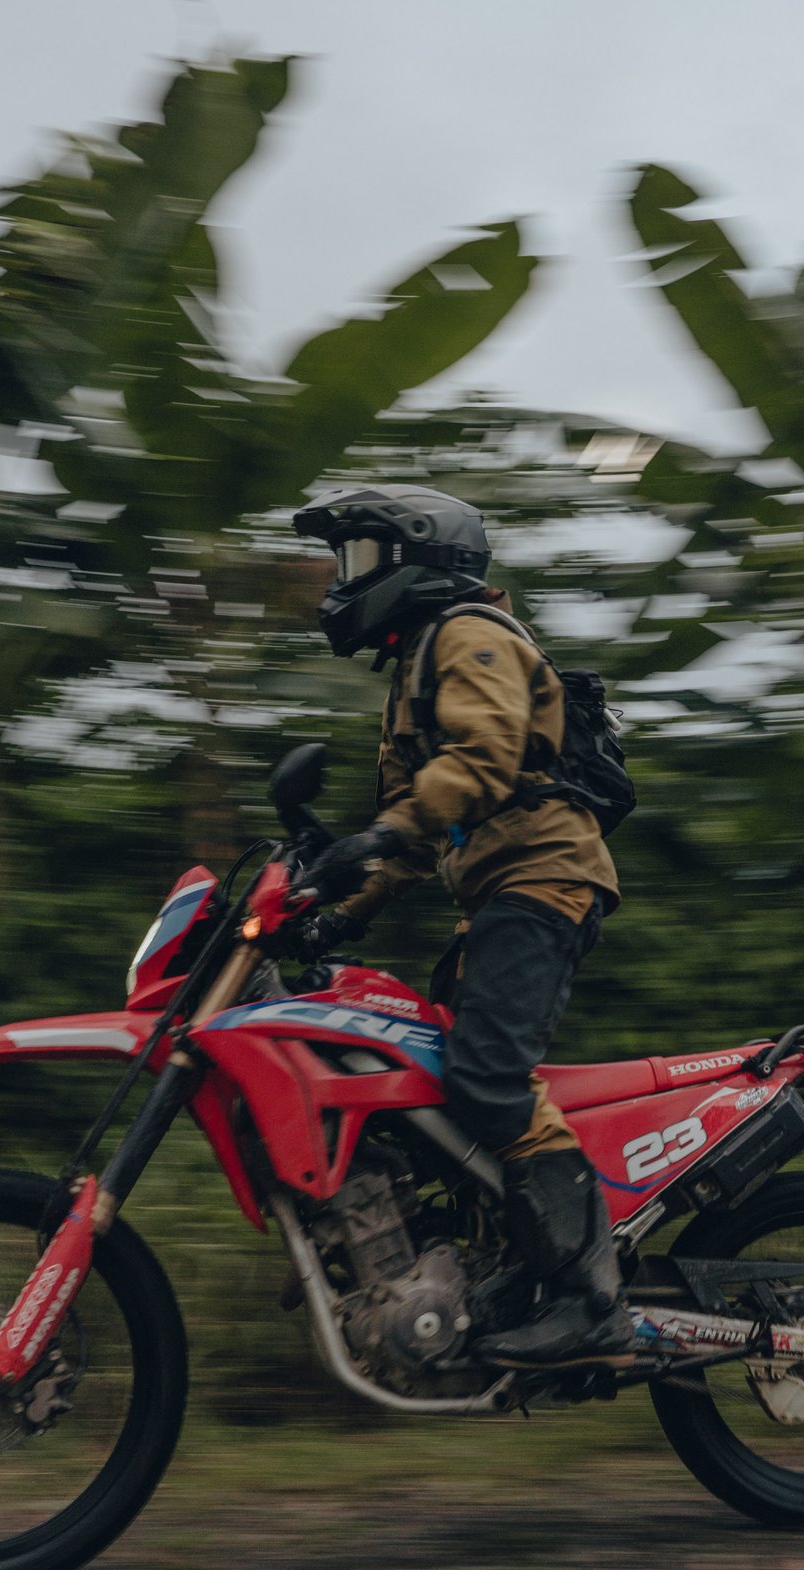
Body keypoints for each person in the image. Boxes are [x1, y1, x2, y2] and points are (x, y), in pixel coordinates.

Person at [287, 483, 632, 1364]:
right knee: (433, 1085)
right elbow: (411, 834)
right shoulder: (414, 669)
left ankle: (592, 1298)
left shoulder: (470, 635)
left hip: (543, 878)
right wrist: (332, 917)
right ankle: (511, 1268)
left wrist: (389, 829)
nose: (344, 580)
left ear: (420, 560)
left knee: (485, 1078)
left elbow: (483, 756)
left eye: (360, 559)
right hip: (499, 889)